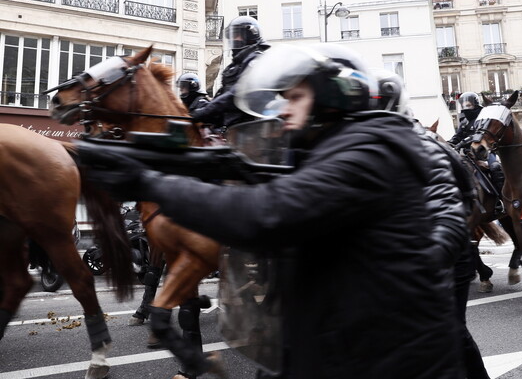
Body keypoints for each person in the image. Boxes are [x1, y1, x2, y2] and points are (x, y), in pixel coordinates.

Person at [82, 43, 461, 378]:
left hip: (386, 356)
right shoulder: (334, 149)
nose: (281, 110)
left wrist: (151, 182)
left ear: (334, 93)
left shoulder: (370, 152)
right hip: (335, 342)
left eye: (294, 98)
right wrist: (202, 164)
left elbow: (266, 214)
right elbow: (273, 178)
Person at [373, 69, 490, 379]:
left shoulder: (422, 142)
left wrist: (432, 249)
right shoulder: (378, 143)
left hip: (446, 256)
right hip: (415, 256)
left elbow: (459, 198)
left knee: (450, 328)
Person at [190, 16, 270, 131]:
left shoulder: (257, 60)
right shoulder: (236, 65)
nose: (234, 40)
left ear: (250, 35)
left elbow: (239, 92)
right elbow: (222, 96)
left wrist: (206, 111)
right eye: (232, 36)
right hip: (232, 129)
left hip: (252, 129)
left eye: (237, 35)